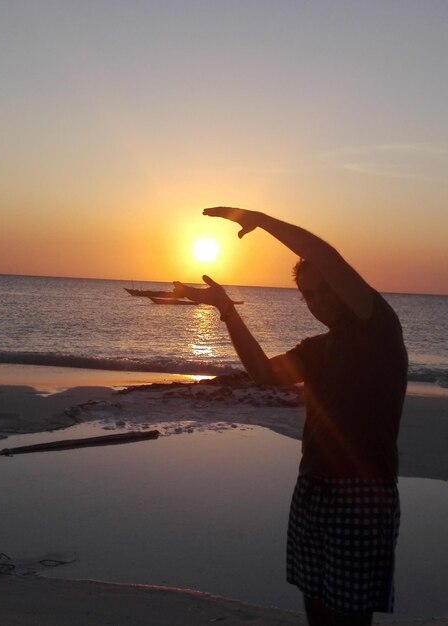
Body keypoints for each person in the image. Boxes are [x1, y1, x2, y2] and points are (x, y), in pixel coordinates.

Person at [173, 207, 408, 626]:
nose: (318, 301)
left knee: (350, 617)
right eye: (309, 295)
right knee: (315, 608)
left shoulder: (378, 328)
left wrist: (261, 220)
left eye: (324, 289)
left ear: (341, 287)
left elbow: (328, 256)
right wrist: (225, 309)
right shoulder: (318, 350)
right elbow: (264, 374)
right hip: (312, 487)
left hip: (362, 492)